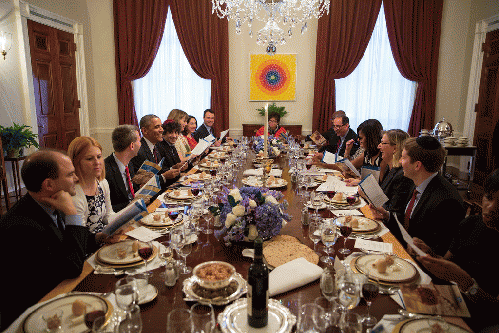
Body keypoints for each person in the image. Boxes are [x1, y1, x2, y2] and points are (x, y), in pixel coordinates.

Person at [0, 150, 108, 329]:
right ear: (49, 184)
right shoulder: (22, 226)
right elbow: (72, 266)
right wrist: (72, 213)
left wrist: (96, 238)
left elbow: (66, 242)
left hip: (59, 294)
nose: (76, 179)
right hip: (35, 315)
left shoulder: (49, 201)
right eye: (70, 174)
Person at [413, 168, 499, 332]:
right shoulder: (470, 224)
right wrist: (430, 254)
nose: (491, 207)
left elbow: (495, 310)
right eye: (488, 197)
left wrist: (466, 283)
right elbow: (447, 263)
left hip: (478, 320)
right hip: (448, 301)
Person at [377, 136, 465, 256]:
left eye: (403, 157)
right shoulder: (417, 183)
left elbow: (441, 251)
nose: (399, 162)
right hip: (403, 250)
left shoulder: (447, 202)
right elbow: (409, 222)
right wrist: (387, 216)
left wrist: (422, 251)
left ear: (417, 165)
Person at [68, 137, 115, 234]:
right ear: (76, 163)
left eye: (99, 157)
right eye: (89, 159)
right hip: (89, 244)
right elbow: (81, 234)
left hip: (104, 236)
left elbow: (108, 215)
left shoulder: (102, 183)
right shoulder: (74, 193)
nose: (97, 162)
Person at [129, 114, 184, 189]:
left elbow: (158, 171)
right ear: (144, 131)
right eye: (157, 127)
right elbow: (142, 182)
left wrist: (172, 168)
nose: (162, 130)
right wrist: (164, 177)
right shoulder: (139, 151)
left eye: (161, 126)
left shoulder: (156, 146)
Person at [104, 125, 142, 212]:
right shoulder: (106, 171)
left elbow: (132, 191)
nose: (140, 144)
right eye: (139, 141)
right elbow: (107, 209)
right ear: (132, 146)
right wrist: (131, 204)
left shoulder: (129, 163)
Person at [376, 129, 413, 213]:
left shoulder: (402, 175)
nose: (379, 146)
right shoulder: (389, 168)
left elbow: (391, 210)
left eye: (383, 143)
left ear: (395, 148)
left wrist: (368, 196)